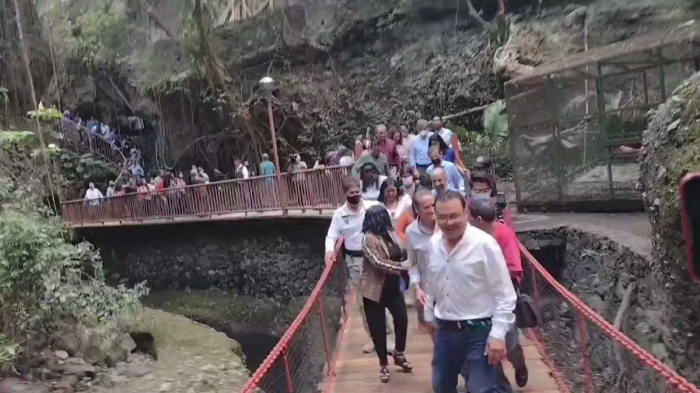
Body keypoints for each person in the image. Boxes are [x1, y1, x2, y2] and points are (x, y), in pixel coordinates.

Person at [425, 190, 517, 393]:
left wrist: (498, 334)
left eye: (454, 215)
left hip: (479, 330)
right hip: (445, 330)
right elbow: (432, 281)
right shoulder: (433, 245)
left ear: (466, 213)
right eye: (442, 217)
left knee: (481, 388)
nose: (449, 222)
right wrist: (428, 314)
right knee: (441, 385)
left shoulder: (484, 245)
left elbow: (505, 294)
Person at [325, 177, 394, 354]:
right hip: (355, 260)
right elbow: (331, 236)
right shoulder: (340, 214)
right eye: (351, 194)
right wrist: (329, 251)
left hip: (375, 258)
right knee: (365, 301)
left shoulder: (371, 207)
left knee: (380, 295)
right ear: (345, 194)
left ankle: (387, 334)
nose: (355, 196)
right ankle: (372, 337)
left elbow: (387, 225)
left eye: (357, 192)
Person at [468, 198, 528, 389]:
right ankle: (501, 385)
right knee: (485, 348)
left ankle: (519, 365)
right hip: (479, 302)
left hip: (502, 299)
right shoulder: (470, 237)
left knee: (509, 345)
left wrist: (491, 275)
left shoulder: (504, 235)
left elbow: (514, 269)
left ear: (477, 219)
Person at [361, 205, 413, 383]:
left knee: (402, 320)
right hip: (374, 291)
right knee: (378, 329)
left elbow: (403, 251)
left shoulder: (392, 235)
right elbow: (377, 263)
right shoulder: (368, 239)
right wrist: (400, 267)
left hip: (393, 288)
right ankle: (383, 364)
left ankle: (399, 353)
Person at [405, 189, 438, 339]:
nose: (432, 210)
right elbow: (412, 263)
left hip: (453, 286)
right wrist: (417, 288)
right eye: (427, 207)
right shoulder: (411, 232)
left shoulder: (446, 223)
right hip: (428, 289)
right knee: (435, 331)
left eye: (433, 205)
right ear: (417, 210)